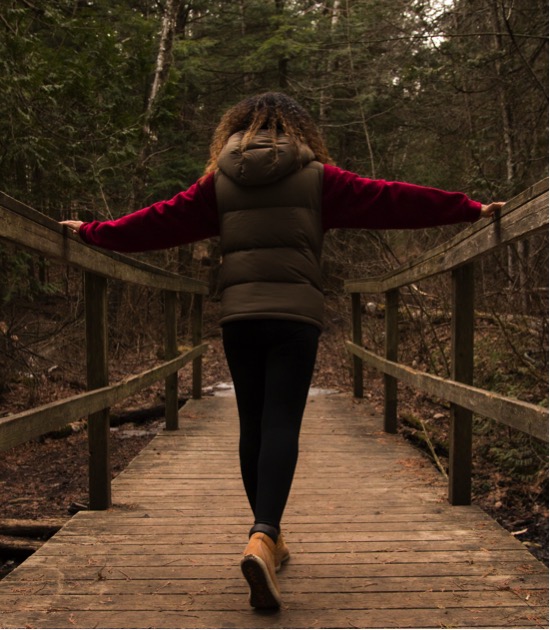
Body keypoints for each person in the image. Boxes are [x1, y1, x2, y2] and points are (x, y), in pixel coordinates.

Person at [61, 91, 503, 610]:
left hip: (240, 317)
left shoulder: (219, 184)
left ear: (236, 130)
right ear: (297, 131)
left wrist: (93, 232)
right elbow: (392, 198)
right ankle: (264, 534)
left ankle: (268, 537)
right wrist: (467, 208)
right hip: (295, 317)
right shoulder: (319, 179)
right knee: (281, 425)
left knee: (253, 425)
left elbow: (157, 221)